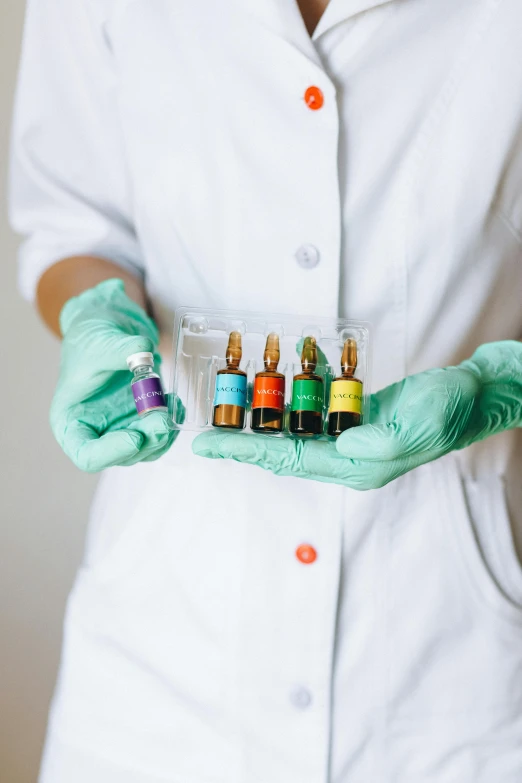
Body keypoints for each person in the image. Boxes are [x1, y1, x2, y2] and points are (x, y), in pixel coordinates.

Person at [9, 0, 522, 780]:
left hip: (455, 659)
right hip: (159, 653)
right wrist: (97, 317)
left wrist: (502, 383)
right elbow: (73, 226)